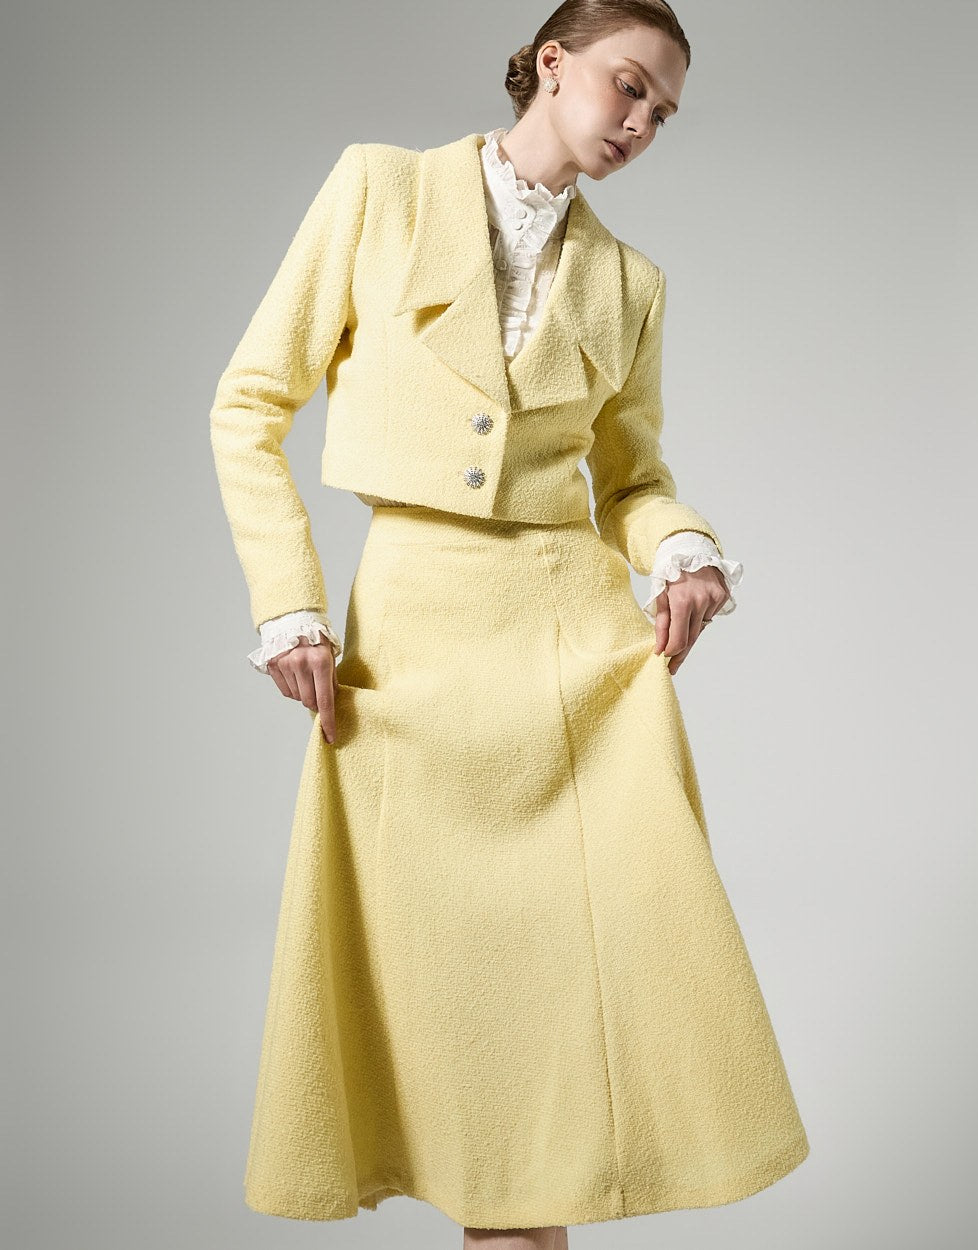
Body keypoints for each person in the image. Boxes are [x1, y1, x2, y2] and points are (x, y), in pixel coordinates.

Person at [209, 3, 809, 1247]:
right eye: (628, 86)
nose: (640, 124)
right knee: (452, 1024)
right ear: (551, 63)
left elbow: (631, 480)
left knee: (563, 1034)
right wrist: (289, 606)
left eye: (663, 113)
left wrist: (684, 550)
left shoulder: (632, 284)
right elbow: (249, 405)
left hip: (569, 664)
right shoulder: (378, 191)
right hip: (409, 659)